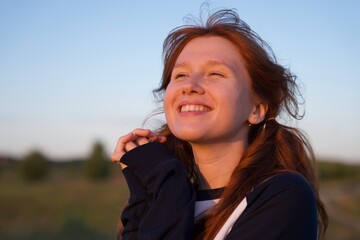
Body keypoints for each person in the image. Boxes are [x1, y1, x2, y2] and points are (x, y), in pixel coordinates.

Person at [111, 9, 328, 240]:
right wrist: (143, 193)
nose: (190, 85)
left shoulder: (284, 195)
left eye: (215, 73)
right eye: (181, 75)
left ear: (256, 109)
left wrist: (167, 182)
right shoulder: (167, 199)